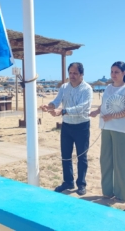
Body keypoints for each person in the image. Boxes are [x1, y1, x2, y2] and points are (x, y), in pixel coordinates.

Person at [40, 62, 93, 196]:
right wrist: (50, 106)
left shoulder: (87, 89)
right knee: (65, 155)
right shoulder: (64, 87)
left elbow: (83, 108)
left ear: (81, 74)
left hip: (82, 126)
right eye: (70, 73)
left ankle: (81, 184)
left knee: (82, 156)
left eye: (75, 73)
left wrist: (62, 111)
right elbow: (57, 101)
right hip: (67, 126)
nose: (72, 76)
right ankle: (68, 182)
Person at [89, 61, 125, 202]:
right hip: (106, 128)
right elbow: (103, 105)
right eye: (112, 72)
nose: (113, 74)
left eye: (117, 72)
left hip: (121, 129)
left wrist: (113, 116)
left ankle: (121, 194)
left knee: (121, 162)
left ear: (124, 73)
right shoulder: (108, 88)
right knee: (106, 160)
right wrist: (96, 111)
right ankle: (107, 192)